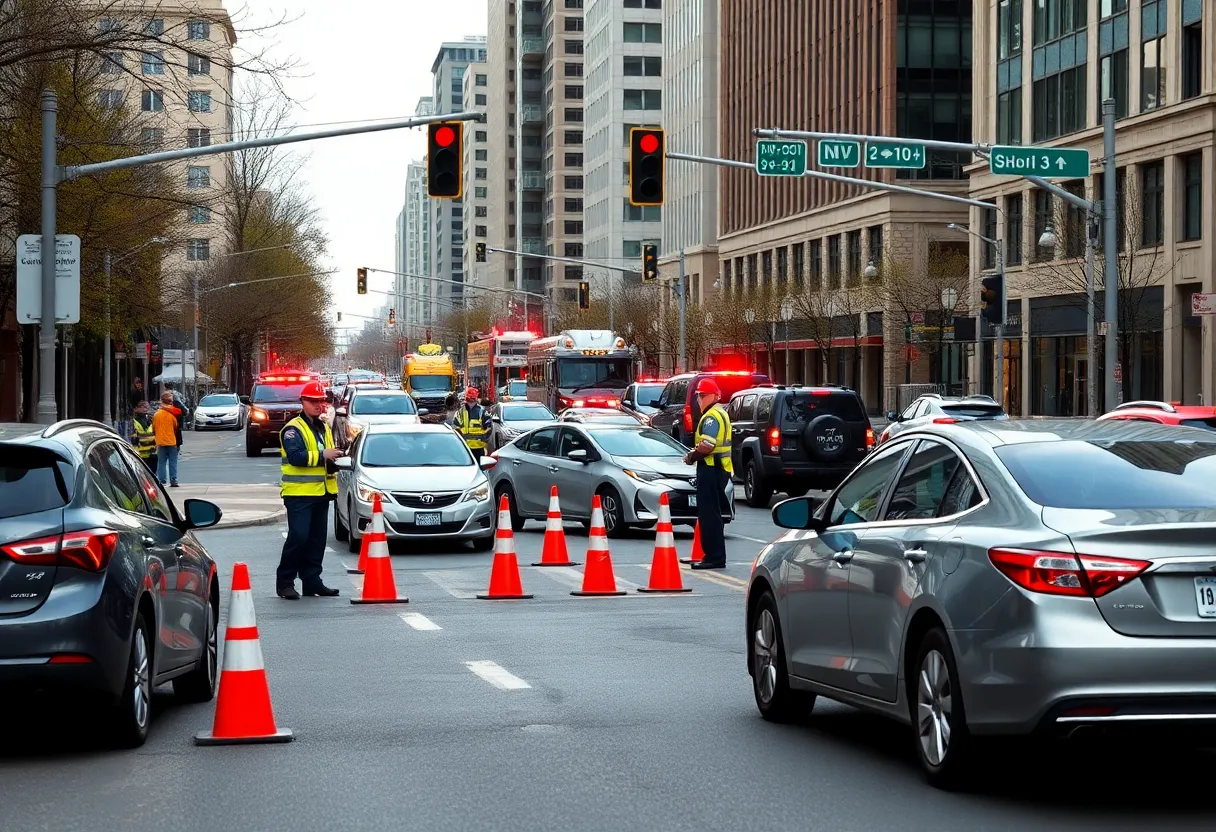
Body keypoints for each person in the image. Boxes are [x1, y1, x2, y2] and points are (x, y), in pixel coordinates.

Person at [276, 380, 343, 600]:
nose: (318, 405)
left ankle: (312, 581)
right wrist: (324, 456)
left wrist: (339, 459)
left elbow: (328, 454)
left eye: (321, 401)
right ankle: (285, 582)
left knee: (317, 540)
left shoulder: (322, 426)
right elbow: (296, 458)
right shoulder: (293, 428)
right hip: (299, 494)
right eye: (313, 401)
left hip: (321, 492)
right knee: (299, 537)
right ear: (302, 401)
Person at [682, 379, 732, 570]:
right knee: (713, 515)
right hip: (719, 469)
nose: (699, 400)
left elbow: (708, 444)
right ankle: (714, 555)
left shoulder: (711, 417)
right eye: (699, 396)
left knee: (708, 516)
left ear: (714, 396)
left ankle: (714, 557)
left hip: (710, 469)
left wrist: (692, 456)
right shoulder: (721, 413)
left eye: (702, 396)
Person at [152, 391, 183, 487]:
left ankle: (162, 480)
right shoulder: (173, 415)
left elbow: (154, 428)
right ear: (170, 401)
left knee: (161, 462)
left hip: (160, 442)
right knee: (173, 461)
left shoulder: (156, 414)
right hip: (171, 441)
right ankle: (173, 480)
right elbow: (176, 428)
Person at [451, 387, 491, 460]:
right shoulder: (460, 412)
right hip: (464, 447)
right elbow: (454, 427)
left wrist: (483, 440)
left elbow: (488, 429)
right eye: (470, 399)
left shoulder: (482, 412)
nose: (471, 401)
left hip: (478, 447)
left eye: (472, 399)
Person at [130, 400, 157, 473]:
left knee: (153, 473)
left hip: (152, 451)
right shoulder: (134, 420)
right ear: (137, 408)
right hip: (141, 451)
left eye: (147, 407)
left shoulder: (150, 418)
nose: (146, 409)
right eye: (144, 407)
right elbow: (134, 436)